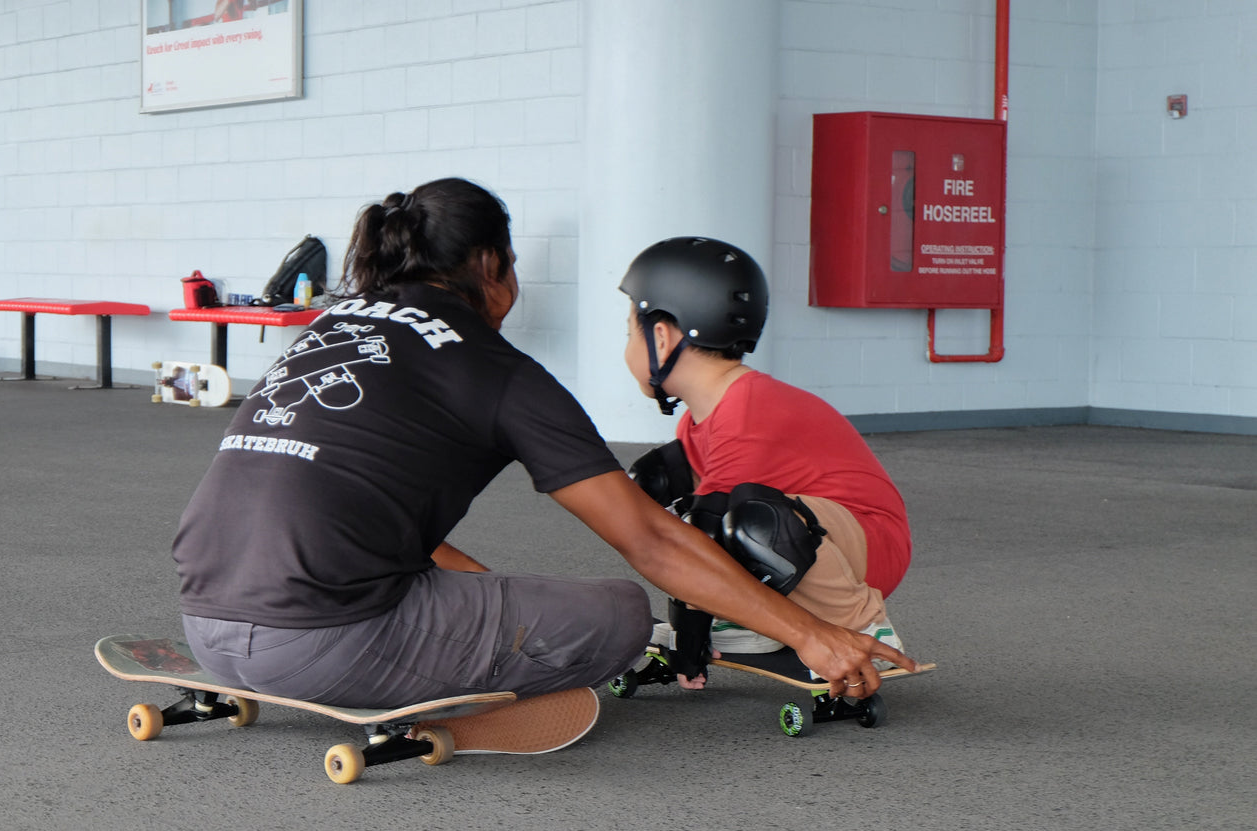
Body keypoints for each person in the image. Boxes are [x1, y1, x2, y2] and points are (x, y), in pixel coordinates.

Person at [173, 179, 912, 713]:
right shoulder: (494, 370)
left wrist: (482, 604)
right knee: (620, 612)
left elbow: (342, 514)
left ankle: (426, 643)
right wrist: (812, 636)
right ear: (492, 266)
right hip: (321, 646)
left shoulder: (328, 332)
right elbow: (650, 542)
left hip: (206, 624)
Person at [619, 235, 913, 671]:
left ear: (661, 338)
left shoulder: (750, 410)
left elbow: (704, 535)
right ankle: (747, 621)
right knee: (661, 479)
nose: (627, 342)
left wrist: (690, 636)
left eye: (628, 332)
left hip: (865, 546)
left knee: (747, 521)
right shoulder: (701, 417)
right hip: (816, 536)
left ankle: (862, 628)